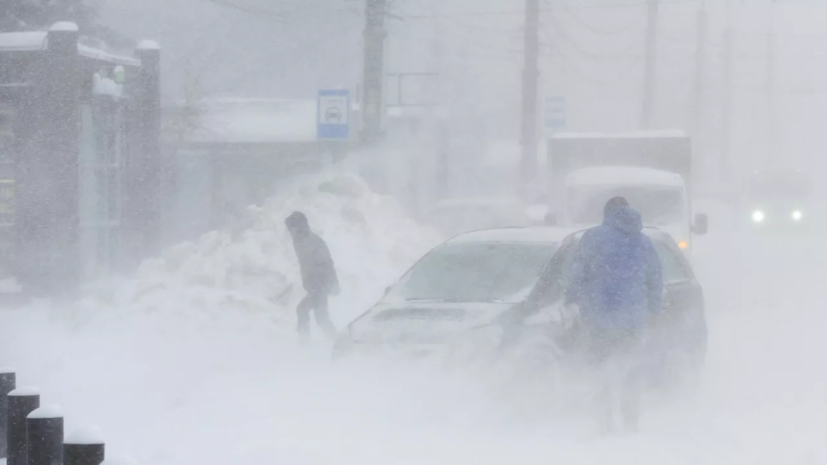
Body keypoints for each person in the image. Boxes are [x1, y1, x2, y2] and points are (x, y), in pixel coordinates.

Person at [564, 196, 663, 433]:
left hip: (598, 319)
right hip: (632, 321)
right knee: (631, 370)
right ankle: (631, 422)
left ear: (606, 213)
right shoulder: (643, 242)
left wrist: (571, 298)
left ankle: (604, 422)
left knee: (600, 369)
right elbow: (655, 278)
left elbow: (577, 273)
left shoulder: (593, 238)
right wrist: (654, 309)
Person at [285, 211, 340, 344]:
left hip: (319, 285)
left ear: (297, 227)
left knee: (318, 317)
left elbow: (326, 263)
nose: (289, 233)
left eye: (290, 229)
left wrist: (329, 284)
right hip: (315, 286)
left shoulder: (310, 241)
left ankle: (339, 345)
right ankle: (337, 344)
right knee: (314, 315)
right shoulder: (300, 240)